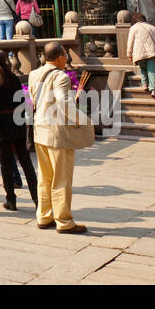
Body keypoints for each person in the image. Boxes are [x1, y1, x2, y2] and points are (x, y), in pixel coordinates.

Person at [28, 42, 93, 233]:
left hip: (39, 129)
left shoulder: (34, 74)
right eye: (65, 55)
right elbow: (65, 104)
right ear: (59, 57)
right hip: (57, 132)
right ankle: (63, 220)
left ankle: (44, 216)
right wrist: (83, 120)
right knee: (61, 177)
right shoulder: (61, 77)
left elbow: (34, 97)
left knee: (45, 176)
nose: (66, 58)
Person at [0, 49, 38, 211]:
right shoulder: (13, 78)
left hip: (2, 126)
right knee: (26, 162)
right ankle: (37, 200)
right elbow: (22, 100)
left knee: (5, 163)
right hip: (17, 122)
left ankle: (11, 200)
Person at [128, 11, 155, 100]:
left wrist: (129, 54)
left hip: (139, 53)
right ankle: (154, 90)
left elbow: (130, 42)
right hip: (151, 52)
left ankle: (145, 84)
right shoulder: (152, 27)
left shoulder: (133, 28)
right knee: (152, 71)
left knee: (142, 68)